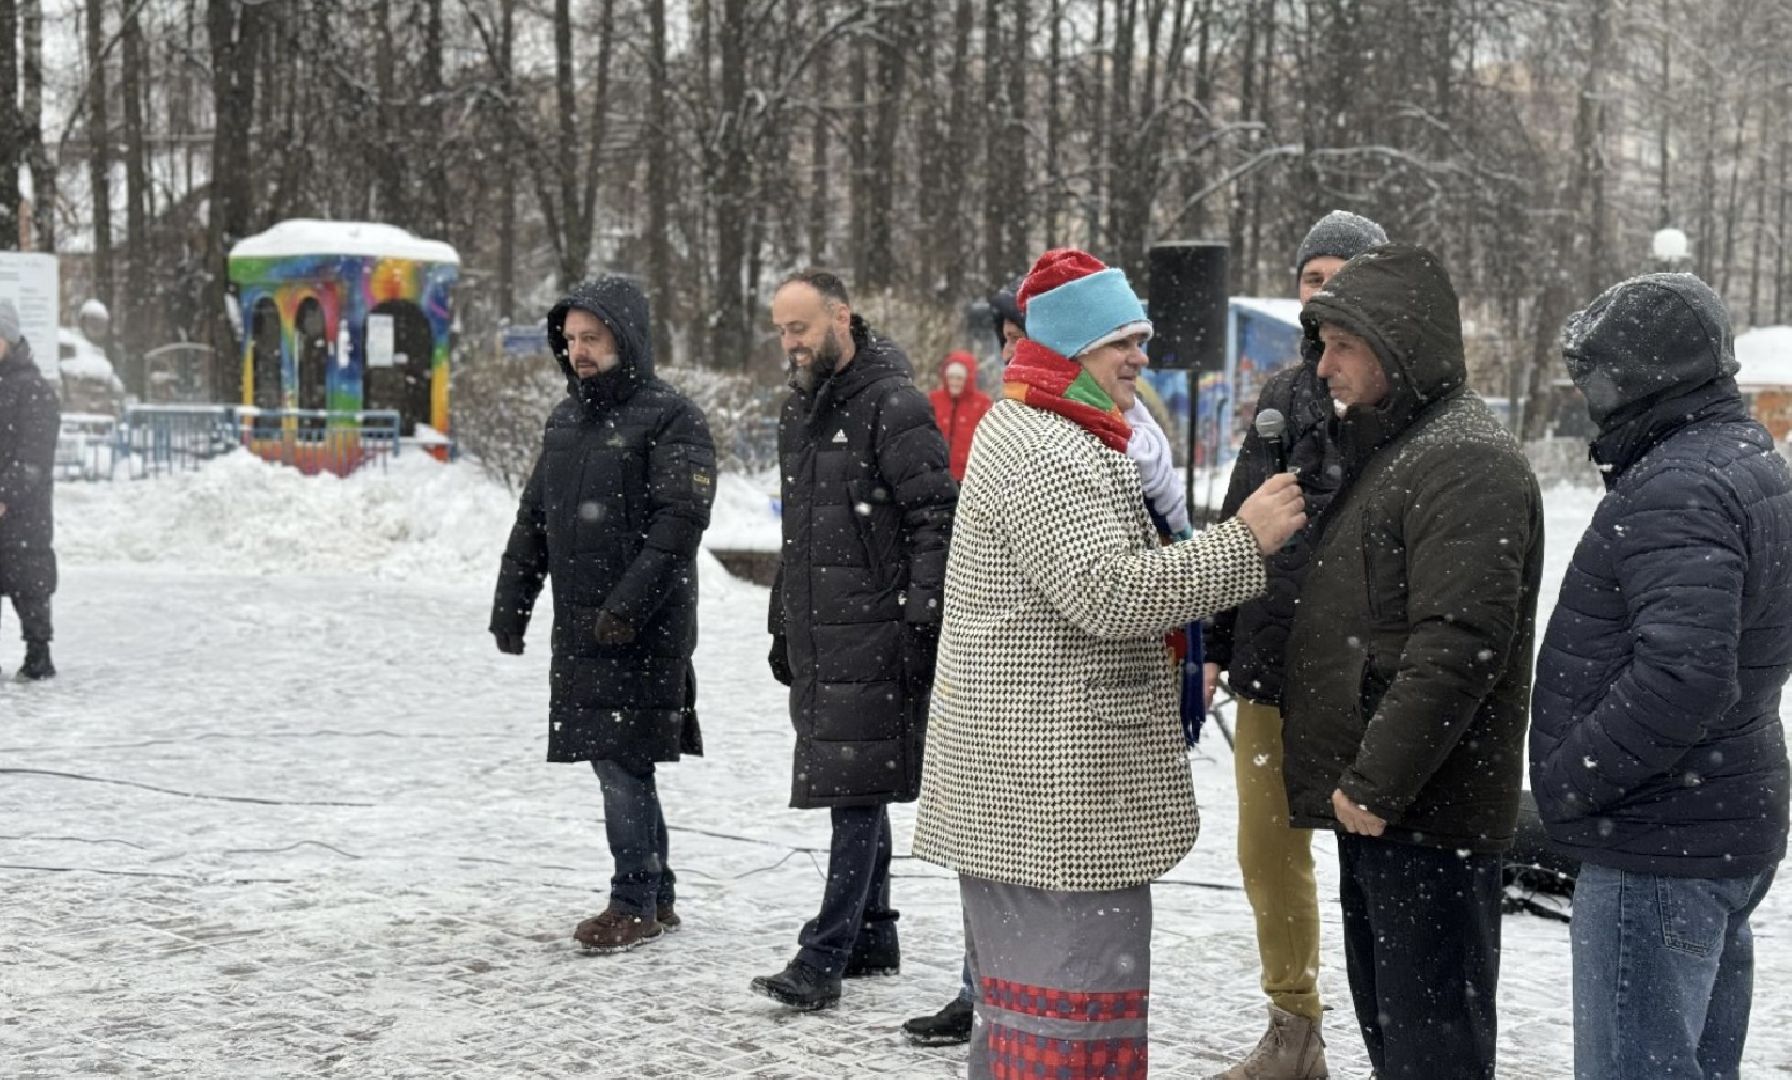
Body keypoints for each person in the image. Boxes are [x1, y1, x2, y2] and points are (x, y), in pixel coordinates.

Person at [911, 248, 1307, 1079]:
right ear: (1071, 351)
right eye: (1121, 341)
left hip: (1035, 783)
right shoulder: (1049, 447)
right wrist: (1246, 540)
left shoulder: (1055, 424)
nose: (1141, 357)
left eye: (1141, 338)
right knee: (1067, 1016)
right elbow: (1110, 595)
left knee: (1035, 1015)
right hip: (1048, 786)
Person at [1280, 244, 1543, 1080]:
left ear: (1398, 344)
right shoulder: (1400, 444)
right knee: (1400, 1040)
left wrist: (1375, 784)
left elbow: (1458, 645)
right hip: (1390, 811)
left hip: (1427, 816)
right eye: (1321, 344)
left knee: (1434, 1049)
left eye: (1342, 345)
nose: (1324, 367)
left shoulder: (1462, 458)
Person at [1530, 273, 1792, 1080]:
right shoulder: (1745, 462)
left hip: (1661, 845)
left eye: (1599, 379)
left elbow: (1685, 675)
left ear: (1649, 378)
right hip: (1718, 826)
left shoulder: (1679, 483)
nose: (1589, 398)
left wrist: (1571, 781)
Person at [1203, 209, 1386, 1080]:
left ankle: (1399, 1033)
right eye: (1312, 279)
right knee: (1267, 853)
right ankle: (1294, 1029)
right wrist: (1213, 642)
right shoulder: (1283, 395)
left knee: (1374, 865)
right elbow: (1243, 523)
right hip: (1272, 668)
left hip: (1368, 683)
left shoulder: (1406, 403)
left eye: (1339, 277)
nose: (1322, 295)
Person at [490, 276, 716, 953]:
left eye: (592, 338)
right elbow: (535, 520)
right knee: (618, 761)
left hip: (644, 629)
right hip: (582, 626)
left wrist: (626, 607)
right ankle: (657, 892)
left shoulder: (673, 418)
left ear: (626, 337)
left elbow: (680, 524)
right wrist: (513, 603)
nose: (579, 351)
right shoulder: (566, 420)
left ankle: (634, 902)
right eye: (571, 340)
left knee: (622, 760)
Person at [753, 270, 957, 1012]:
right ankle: (873, 930)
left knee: (853, 795)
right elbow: (799, 534)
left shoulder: (893, 403)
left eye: (801, 326)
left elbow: (937, 515)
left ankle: (823, 957)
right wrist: (782, 618)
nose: (791, 342)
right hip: (822, 631)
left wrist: (920, 619)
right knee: (857, 786)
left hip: (877, 630)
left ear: (842, 315)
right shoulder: (800, 410)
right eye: (781, 329)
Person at [0, 298, 60, 682]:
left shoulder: (33, 390)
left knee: (28, 584)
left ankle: (38, 654)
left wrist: (5, 495)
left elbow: (34, 456)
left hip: (24, 512)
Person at [930, 351, 992, 483]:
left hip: (969, 478)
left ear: (968, 379)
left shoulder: (982, 404)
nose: (954, 382)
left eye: (959, 378)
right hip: (937, 476)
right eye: (951, 377)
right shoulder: (934, 400)